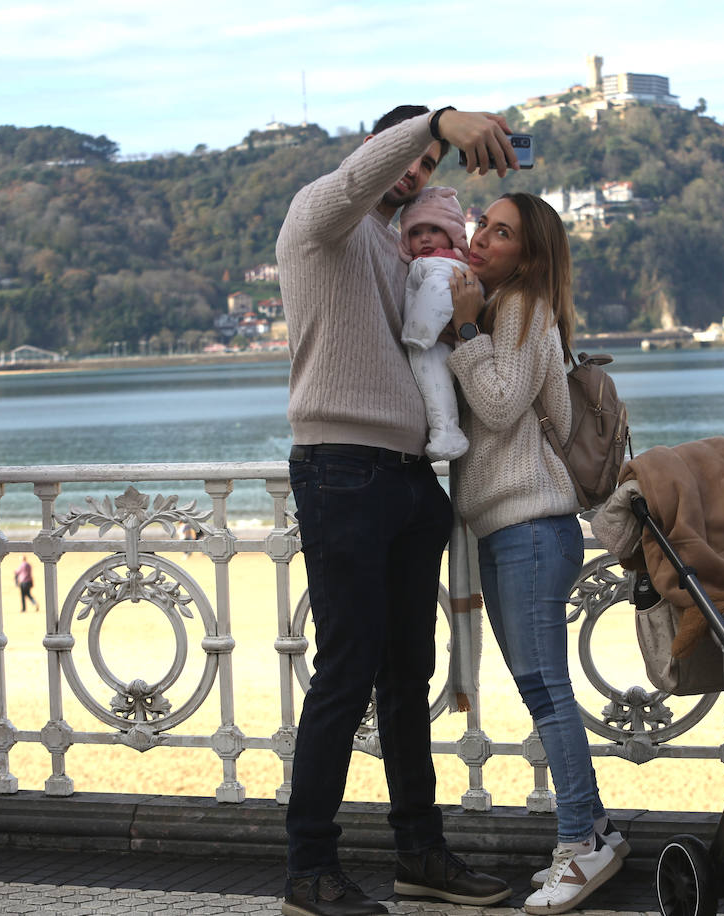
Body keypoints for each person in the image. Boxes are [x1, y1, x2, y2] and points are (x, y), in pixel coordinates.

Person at [275, 105, 519, 916]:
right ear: (384, 151)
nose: (416, 172)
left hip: (413, 479)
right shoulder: (323, 214)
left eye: (429, 162)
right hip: (340, 469)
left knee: (408, 677)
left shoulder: (399, 241)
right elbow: (358, 180)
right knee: (344, 674)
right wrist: (439, 116)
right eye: (410, 156)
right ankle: (309, 870)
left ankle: (421, 854)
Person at [445, 193, 628, 915]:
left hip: (529, 526)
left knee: (546, 691)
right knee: (541, 688)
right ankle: (600, 831)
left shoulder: (521, 307)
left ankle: (579, 847)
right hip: (508, 529)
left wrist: (464, 325)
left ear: (530, 253)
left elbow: (496, 403)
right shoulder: (505, 309)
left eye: (501, 232)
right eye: (480, 226)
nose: (480, 238)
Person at [397, 185, 474, 461]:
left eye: (434, 230)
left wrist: (418, 331)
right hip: (436, 339)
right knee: (435, 386)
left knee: (435, 383)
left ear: (451, 233)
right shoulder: (425, 262)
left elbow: (438, 291)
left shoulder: (443, 263)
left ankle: (446, 434)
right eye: (416, 233)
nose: (425, 238)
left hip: (428, 340)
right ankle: (444, 432)